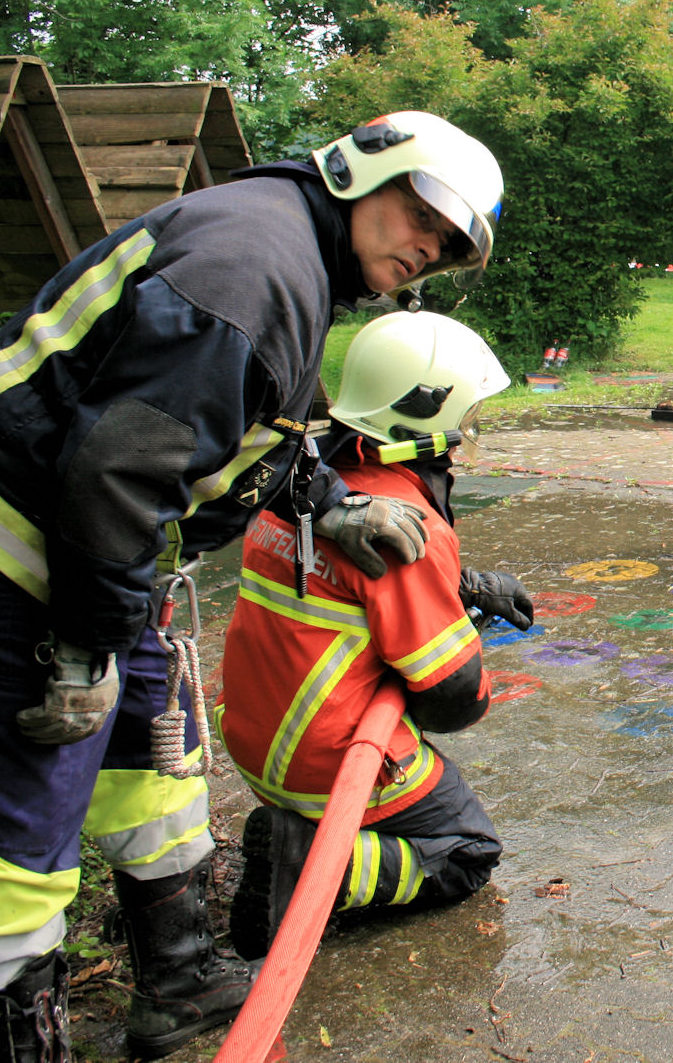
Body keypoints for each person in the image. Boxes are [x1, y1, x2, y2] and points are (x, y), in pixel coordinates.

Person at [0, 110, 503, 1061]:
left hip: (97, 572)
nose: (427, 247)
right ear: (364, 174)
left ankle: (182, 984)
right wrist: (83, 651)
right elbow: (118, 473)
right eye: (424, 215)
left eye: (448, 243)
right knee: (19, 832)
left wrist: (332, 499)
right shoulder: (252, 269)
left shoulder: (287, 254)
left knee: (156, 771)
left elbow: (239, 427)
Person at [218, 311, 530, 962]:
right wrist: (448, 613)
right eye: (462, 422)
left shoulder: (301, 489)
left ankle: (300, 842)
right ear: (424, 421)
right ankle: (309, 867)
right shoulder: (402, 527)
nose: (465, 438)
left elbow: (344, 592)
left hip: (257, 738)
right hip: (331, 766)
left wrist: (462, 584)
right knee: (467, 853)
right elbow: (454, 699)